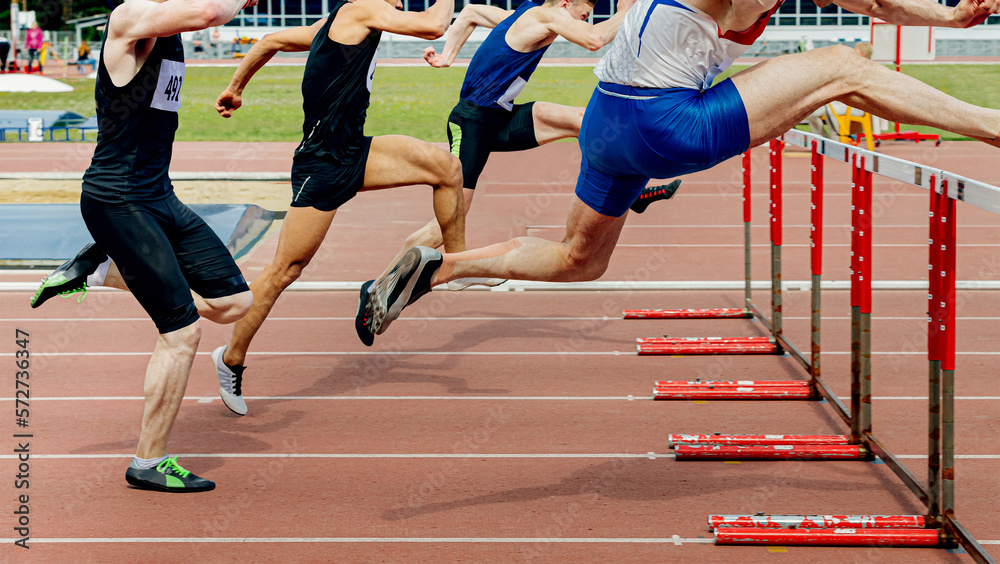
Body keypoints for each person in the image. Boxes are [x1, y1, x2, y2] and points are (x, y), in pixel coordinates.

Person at [356, 0, 1000, 344]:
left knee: (581, 258)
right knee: (842, 66)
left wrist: (947, 16)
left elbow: (876, 2)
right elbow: (876, 7)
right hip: (665, 124)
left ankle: (439, 269)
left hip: (608, 121)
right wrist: (943, 16)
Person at [29, 0, 258, 492]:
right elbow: (209, 14)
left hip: (158, 194)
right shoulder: (131, 16)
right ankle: (148, 462)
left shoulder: (172, 25)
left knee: (235, 302)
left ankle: (97, 269)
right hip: (117, 198)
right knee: (182, 333)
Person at [208, 0, 465, 415]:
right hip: (322, 165)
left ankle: (457, 263)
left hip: (355, 152)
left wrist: (235, 87)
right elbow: (435, 26)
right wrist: (235, 86)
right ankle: (231, 357)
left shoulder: (337, 23)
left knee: (447, 168)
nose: (400, 2)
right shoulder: (359, 10)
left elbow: (271, 39)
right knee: (284, 272)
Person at [393, 0, 679, 291]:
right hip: (471, 124)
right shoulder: (545, 16)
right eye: (584, 13)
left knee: (586, 120)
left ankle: (630, 193)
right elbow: (595, 39)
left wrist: (447, 56)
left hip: (501, 118)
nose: (585, 19)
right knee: (453, 214)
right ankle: (400, 273)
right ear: (565, 3)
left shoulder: (526, 16)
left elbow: (471, 13)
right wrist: (628, 11)